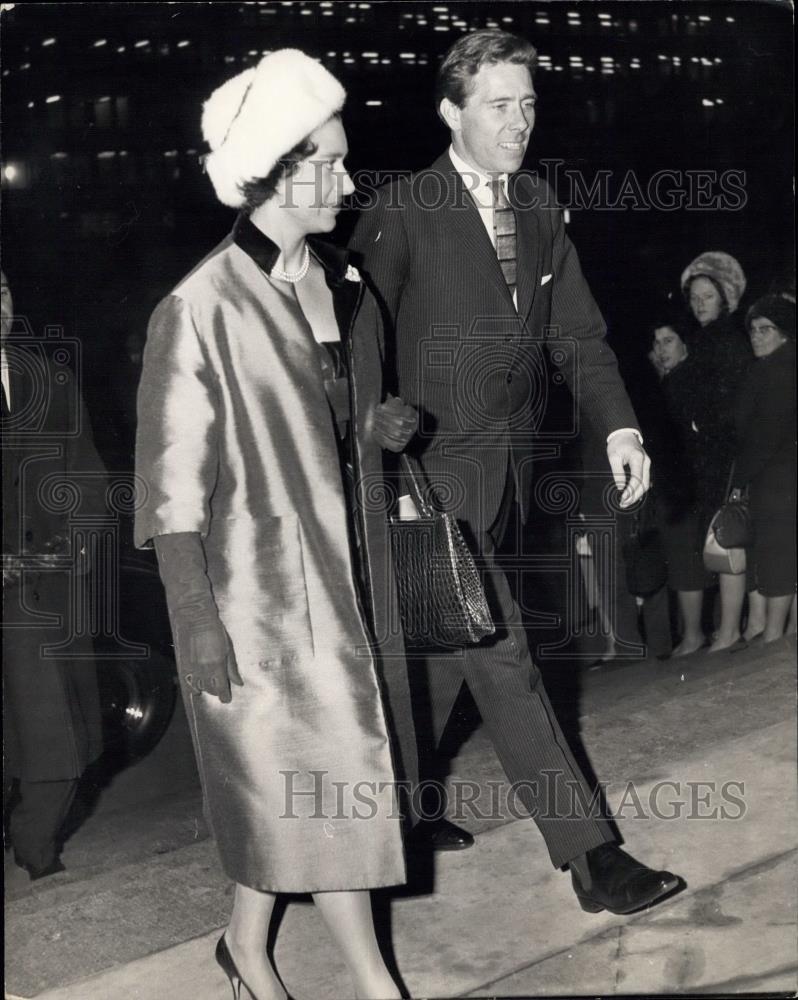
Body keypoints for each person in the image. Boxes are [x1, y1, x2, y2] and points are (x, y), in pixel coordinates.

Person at [351, 29, 681, 915]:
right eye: (500, 105)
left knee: (446, 657)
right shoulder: (403, 209)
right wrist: (374, 448)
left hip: (511, 476)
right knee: (503, 656)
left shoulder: (537, 206)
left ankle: (401, 815)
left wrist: (620, 430)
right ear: (451, 111)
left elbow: (577, 336)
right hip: (430, 484)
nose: (520, 121)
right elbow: (357, 348)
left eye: (529, 103)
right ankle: (592, 858)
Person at [135, 52, 418, 1000]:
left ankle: (243, 948)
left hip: (348, 580)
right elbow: (170, 485)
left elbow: (324, 424)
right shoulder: (198, 307)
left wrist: (377, 426)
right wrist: (194, 620)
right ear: (276, 172)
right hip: (255, 603)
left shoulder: (339, 283)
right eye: (329, 163)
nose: (346, 179)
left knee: (289, 798)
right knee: (331, 789)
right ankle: (376, 985)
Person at [2, 268, 106, 880]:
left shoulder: (52, 379)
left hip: (43, 589)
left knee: (59, 739)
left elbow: (87, 477)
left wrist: (79, 542)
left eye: (5, 292)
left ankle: (37, 847)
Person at [680, 251, 752, 652]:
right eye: (695, 297)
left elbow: (732, 404)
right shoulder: (707, 339)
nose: (700, 303)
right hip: (710, 457)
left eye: (707, 295)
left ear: (724, 297)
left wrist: (701, 424)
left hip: (723, 456)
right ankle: (733, 627)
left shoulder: (723, 339)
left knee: (727, 538)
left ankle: (729, 631)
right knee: (724, 540)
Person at [731, 296, 796, 643]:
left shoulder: (776, 371)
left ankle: (773, 635)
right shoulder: (780, 365)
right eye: (752, 330)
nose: (757, 336)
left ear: (784, 332)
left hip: (777, 478)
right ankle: (785, 633)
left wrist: (740, 480)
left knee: (777, 553)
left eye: (765, 329)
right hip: (782, 475)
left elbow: (765, 435)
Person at [648, 318, 713, 656]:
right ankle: (692, 633)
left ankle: (693, 635)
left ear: (685, 345)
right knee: (681, 558)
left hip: (684, 487)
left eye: (669, 340)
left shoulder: (686, 381)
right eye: (657, 343)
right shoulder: (670, 381)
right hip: (675, 485)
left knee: (686, 558)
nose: (661, 349)